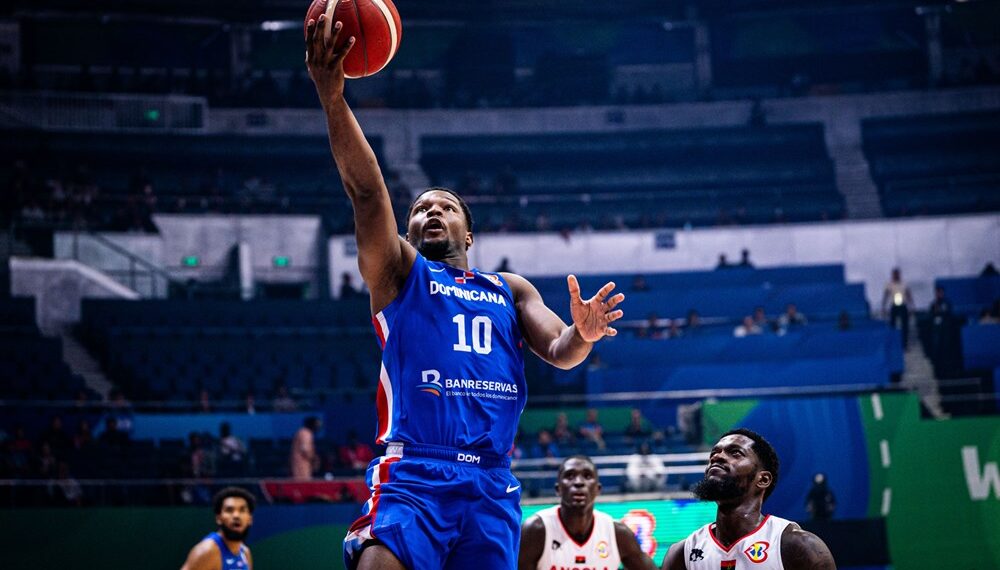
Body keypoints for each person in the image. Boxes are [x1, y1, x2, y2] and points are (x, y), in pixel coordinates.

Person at [306, 18, 626, 570]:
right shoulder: (400, 276)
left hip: (490, 481)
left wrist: (585, 333)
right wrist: (333, 97)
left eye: (445, 207)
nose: (431, 211)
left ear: (469, 233)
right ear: (406, 233)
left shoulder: (510, 288)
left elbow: (561, 352)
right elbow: (365, 193)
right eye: (420, 209)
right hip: (416, 474)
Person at [660, 429, 836, 569]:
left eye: (735, 453)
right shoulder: (682, 554)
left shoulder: (799, 547)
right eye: (715, 452)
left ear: (763, 479)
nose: (716, 456)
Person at [519, 456, 656, 570]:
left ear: (598, 489)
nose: (579, 482)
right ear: (558, 489)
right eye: (570, 476)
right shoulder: (535, 530)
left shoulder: (618, 533)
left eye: (587, 476)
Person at [180, 487, 255, 570]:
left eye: (242, 510)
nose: (236, 515)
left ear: (250, 519)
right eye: (229, 510)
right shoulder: (208, 551)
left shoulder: (245, 552)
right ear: (218, 518)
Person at [882, 268, 914, 348]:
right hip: (894, 305)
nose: (896, 275)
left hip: (903, 305)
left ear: (899, 274)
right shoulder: (889, 284)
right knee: (892, 325)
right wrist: (883, 307)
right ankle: (893, 344)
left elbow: (908, 294)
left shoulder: (904, 283)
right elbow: (886, 295)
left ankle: (905, 344)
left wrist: (911, 307)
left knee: (905, 326)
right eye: (894, 274)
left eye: (897, 274)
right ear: (892, 275)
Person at [290, 416, 320, 480]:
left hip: (304, 463)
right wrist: (314, 459)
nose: (319, 427)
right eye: (317, 424)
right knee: (302, 483)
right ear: (312, 424)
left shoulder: (304, 432)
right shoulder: (305, 433)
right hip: (301, 463)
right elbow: (305, 450)